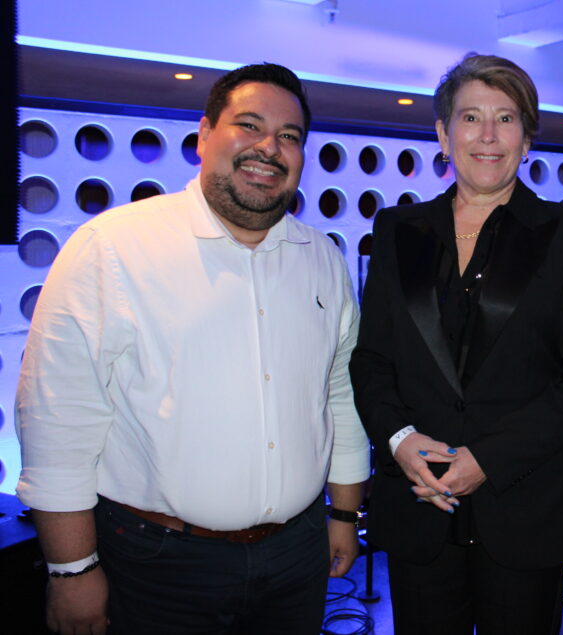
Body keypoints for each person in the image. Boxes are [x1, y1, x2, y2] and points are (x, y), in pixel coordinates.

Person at [15, 63, 369, 635]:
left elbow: (338, 393)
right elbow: (58, 418)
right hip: (159, 563)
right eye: (248, 125)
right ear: (204, 134)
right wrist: (71, 569)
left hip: (298, 555)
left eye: (289, 136)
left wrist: (344, 513)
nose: (268, 148)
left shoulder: (322, 258)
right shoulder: (114, 247)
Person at [349, 53, 563, 635]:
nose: (488, 136)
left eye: (507, 118)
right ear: (443, 134)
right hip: (420, 502)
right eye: (471, 118)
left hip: (525, 504)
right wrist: (399, 440)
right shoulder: (398, 231)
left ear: (527, 137)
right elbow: (372, 359)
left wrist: (487, 460)